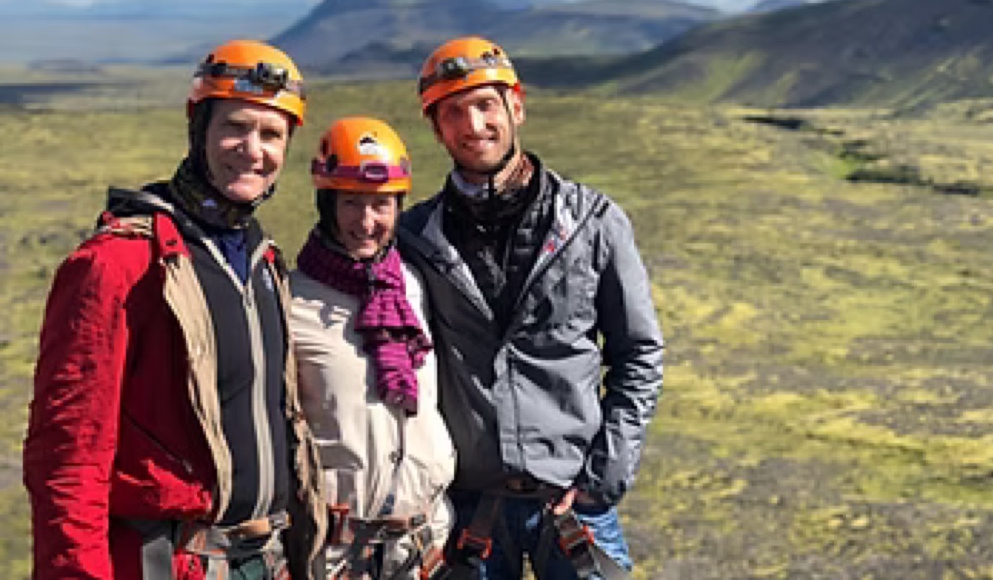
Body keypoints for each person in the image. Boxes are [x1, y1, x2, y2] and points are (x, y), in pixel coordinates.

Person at [23, 39, 326, 580]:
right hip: (169, 562)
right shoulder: (121, 263)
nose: (252, 150)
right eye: (235, 127)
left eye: (272, 134)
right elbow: (69, 453)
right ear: (199, 126)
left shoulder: (263, 260)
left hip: (266, 558)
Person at [396, 36, 664, 580]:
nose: (473, 125)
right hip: (469, 510)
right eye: (453, 112)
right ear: (436, 128)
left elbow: (638, 353)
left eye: (485, 105)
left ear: (516, 106)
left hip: (574, 506)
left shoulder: (593, 222)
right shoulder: (415, 238)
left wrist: (604, 474)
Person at [289, 117, 455, 580]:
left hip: (426, 545)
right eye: (351, 203)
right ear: (327, 204)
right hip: (338, 555)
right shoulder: (292, 302)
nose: (366, 222)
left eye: (381, 204)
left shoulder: (414, 287)